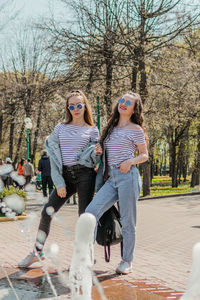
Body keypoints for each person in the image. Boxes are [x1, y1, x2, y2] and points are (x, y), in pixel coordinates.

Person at [18, 89, 101, 268]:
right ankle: (37, 252)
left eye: (79, 105)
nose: (76, 109)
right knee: (47, 211)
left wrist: (97, 152)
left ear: (85, 106)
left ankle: (83, 257)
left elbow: (94, 160)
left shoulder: (93, 130)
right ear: (67, 108)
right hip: (65, 175)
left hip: (85, 174)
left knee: (83, 217)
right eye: (71, 106)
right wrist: (59, 183)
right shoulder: (60, 128)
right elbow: (54, 159)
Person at [86, 91, 149, 275]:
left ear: (134, 109)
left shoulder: (135, 129)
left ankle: (127, 261)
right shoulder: (111, 127)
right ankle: (87, 256)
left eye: (128, 103)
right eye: (121, 100)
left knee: (128, 222)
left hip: (128, 177)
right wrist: (99, 149)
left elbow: (144, 155)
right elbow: (105, 153)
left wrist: (130, 161)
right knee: (90, 213)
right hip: (111, 178)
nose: (123, 104)